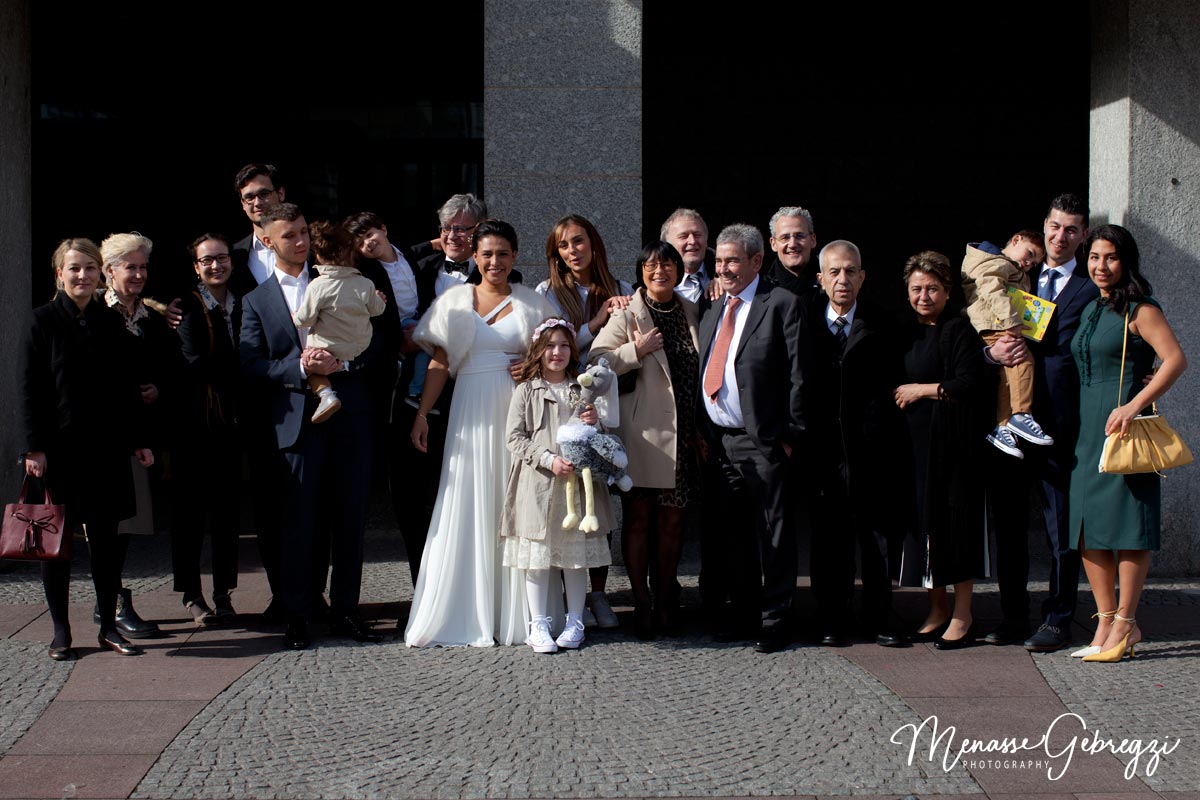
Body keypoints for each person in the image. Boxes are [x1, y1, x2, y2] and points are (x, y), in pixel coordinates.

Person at [240, 203, 384, 650]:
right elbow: (250, 363)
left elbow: (383, 342)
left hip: (350, 413)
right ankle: (298, 612)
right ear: (267, 241)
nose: (301, 242)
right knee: (299, 522)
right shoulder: (256, 300)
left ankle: (346, 610)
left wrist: (345, 360)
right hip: (297, 422)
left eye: (304, 232)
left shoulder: (349, 279)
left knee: (350, 518)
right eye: (289, 236)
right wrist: (301, 369)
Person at [405, 219, 554, 647]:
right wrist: (421, 415)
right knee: (467, 498)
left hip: (518, 413)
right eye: (487, 253)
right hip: (468, 410)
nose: (494, 261)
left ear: (514, 257)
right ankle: (464, 610)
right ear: (474, 256)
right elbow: (438, 364)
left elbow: (556, 358)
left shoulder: (532, 304)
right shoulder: (453, 301)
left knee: (516, 501)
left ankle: (526, 614)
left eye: (503, 253)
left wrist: (531, 366)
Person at [20, 238, 155, 659]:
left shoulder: (109, 322)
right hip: (59, 452)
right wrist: (34, 448)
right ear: (59, 273)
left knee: (108, 541)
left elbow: (125, 387)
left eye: (90, 269)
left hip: (107, 449)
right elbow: (29, 389)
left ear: (100, 275)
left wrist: (138, 441)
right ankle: (61, 631)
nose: (83, 276)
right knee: (55, 544)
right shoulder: (40, 321)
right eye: (74, 269)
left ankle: (110, 627)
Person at [1067, 225, 1186, 662]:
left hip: (1123, 426)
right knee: (1088, 528)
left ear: (1126, 261)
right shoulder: (1090, 308)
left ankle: (1127, 624)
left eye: (1111, 257)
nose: (1101, 265)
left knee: (1128, 528)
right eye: (1095, 257)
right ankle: (1103, 621)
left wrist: (1133, 405)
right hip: (1087, 428)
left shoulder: (1141, 309)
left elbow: (1175, 359)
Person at [986, 194, 1100, 651]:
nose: (1060, 236)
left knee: (1061, 529)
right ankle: (1013, 616)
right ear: (1043, 226)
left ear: (1083, 235)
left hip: (1061, 427)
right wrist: (988, 352)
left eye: (1072, 230)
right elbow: (981, 331)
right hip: (1008, 425)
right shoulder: (1015, 274)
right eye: (1055, 226)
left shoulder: (1092, 288)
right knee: (1009, 527)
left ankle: (1057, 618)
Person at [697, 223, 805, 654]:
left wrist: (790, 435)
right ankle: (743, 612)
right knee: (733, 534)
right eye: (719, 261)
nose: (723, 269)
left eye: (732, 261)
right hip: (720, 442)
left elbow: (799, 375)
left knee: (773, 533)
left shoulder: (780, 304)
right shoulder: (712, 310)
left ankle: (776, 618)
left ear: (757, 261)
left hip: (765, 441)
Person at [591, 241, 700, 639]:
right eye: (652, 265)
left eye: (668, 264)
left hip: (683, 435)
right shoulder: (629, 312)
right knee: (637, 522)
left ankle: (667, 599)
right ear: (640, 272)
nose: (661, 272)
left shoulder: (691, 309)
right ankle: (642, 603)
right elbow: (595, 361)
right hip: (641, 436)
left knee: (673, 523)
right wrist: (634, 350)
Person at [804, 240, 905, 648]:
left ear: (862, 276)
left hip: (871, 449)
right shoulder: (805, 321)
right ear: (821, 279)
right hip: (824, 450)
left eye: (850, 272)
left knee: (876, 538)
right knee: (829, 538)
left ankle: (879, 616)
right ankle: (831, 616)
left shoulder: (885, 323)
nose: (842, 279)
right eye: (834, 272)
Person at [536, 214, 632, 628]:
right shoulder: (547, 293)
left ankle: (597, 593)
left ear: (594, 244)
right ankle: (562, 596)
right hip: (564, 408)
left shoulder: (622, 290)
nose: (573, 251)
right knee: (565, 500)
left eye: (579, 241)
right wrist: (595, 324)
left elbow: (629, 350)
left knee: (600, 503)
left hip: (608, 410)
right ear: (556, 254)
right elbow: (552, 349)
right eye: (563, 245)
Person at [893, 251, 992, 650]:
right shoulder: (907, 332)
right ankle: (936, 609)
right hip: (916, 448)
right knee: (925, 528)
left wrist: (924, 390)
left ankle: (963, 614)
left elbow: (970, 383)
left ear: (948, 290)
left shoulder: (959, 330)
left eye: (932, 288)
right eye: (916, 288)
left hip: (953, 447)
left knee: (954, 526)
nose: (923, 296)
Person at [503, 319, 614, 653]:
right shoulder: (527, 390)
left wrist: (597, 423)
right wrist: (547, 458)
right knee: (537, 557)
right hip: (537, 485)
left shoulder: (581, 390)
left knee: (574, 558)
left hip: (577, 489)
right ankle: (538, 625)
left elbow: (599, 440)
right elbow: (514, 437)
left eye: (564, 346)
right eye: (550, 346)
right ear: (539, 350)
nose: (557, 352)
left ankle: (575, 622)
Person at [99, 232, 181, 639]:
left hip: (138, 438)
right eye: (130, 266)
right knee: (102, 525)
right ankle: (111, 603)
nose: (138, 274)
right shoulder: (94, 311)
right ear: (109, 270)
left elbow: (170, 368)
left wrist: (158, 389)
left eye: (143, 266)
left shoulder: (151, 317)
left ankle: (110, 598)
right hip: (99, 437)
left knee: (126, 521)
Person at [173, 233, 242, 624]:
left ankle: (223, 592)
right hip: (194, 426)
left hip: (231, 424)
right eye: (206, 261)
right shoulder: (187, 307)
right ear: (196, 267)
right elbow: (193, 362)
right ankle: (191, 594)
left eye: (221, 258)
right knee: (190, 515)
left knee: (227, 514)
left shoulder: (244, 302)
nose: (215, 266)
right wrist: (242, 367)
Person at [959, 230, 1053, 458]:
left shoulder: (1001, 264)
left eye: (1034, 263)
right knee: (1023, 361)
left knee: (1008, 378)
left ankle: (1002, 426)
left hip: (994, 324)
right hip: (996, 324)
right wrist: (1011, 321)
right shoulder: (997, 262)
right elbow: (991, 288)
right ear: (1016, 239)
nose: (1028, 263)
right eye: (1029, 253)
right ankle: (1020, 414)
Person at [292, 221, 387, 423]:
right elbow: (377, 311)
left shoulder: (317, 286)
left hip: (328, 348)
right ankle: (333, 381)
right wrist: (379, 299)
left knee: (309, 359)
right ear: (350, 253)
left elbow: (305, 319)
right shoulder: (365, 283)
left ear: (317, 256)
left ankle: (326, 394)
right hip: (358, 347)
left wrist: (294, 316)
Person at [661, 208, 714, 303]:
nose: (692, 241)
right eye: (683, 236)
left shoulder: (726, 277)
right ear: (668, 246)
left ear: (706, 241)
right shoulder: (652, 287)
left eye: (697, 235)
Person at [766, 206, 819, 297]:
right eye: (785, 238)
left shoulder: (830, 284)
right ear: (773, 244)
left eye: (799, 236)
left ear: (812, 240)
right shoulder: (761, 288)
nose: (792, 244)